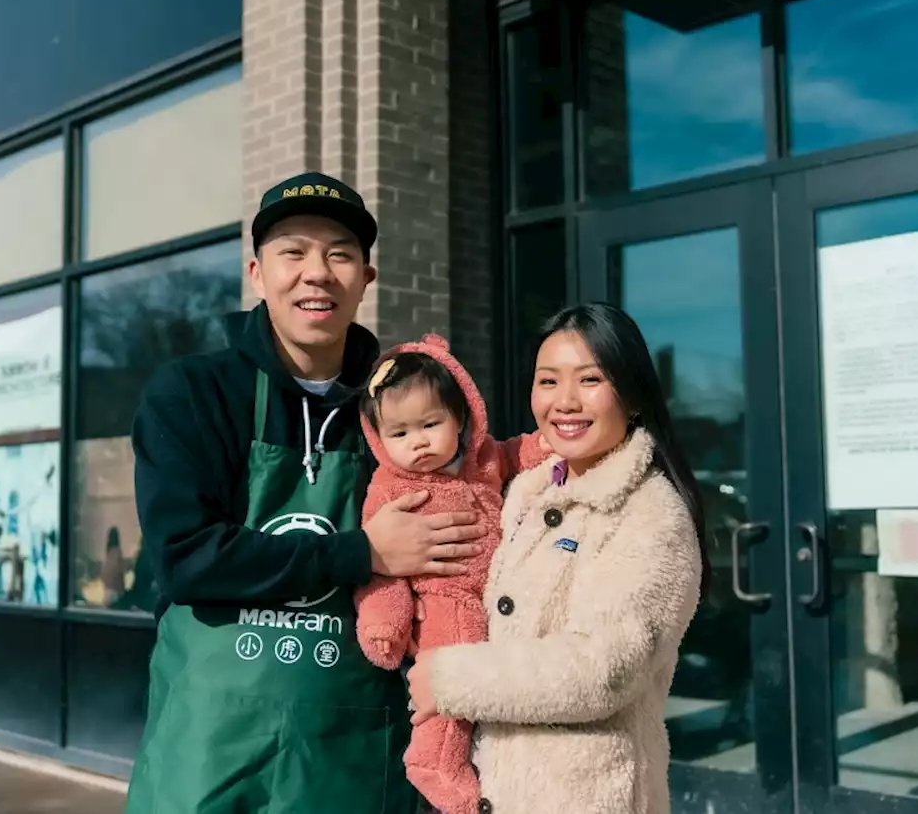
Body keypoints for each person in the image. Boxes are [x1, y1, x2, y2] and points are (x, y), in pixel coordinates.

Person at [123, 172, 487, 814]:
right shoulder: (193, 393)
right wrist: (363, 555)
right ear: (257, 273)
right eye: (293, 252)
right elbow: (184, 557)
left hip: (351, 752)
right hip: (210, 752)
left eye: (339, 253)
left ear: (365, 279)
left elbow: (484, 503)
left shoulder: (403, 408)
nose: (316, 272)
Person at [406, 303, 711, 814]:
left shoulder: (652, 513)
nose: (564, 402)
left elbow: (603, 668)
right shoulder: (528, 491)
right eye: (548, 381)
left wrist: (450, 678)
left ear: (632, 396)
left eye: (590, 380)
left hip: (585, 793)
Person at [354, 334, 548, 814]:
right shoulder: (389, 486)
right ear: (378, 439)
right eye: (398, 433)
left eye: (430, 424)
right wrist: (385, 622)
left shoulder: (482, 460)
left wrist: (547, 444)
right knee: (447, 684)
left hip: (500, 593)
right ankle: (435, 760)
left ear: (460, 418)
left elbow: (514, 453)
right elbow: (379, 568)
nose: (417, 441)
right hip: (445, 602)